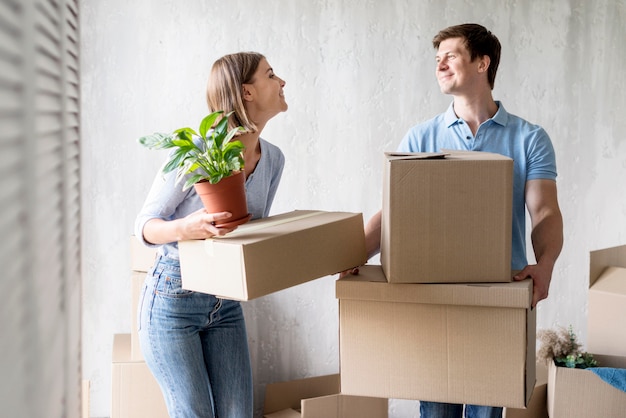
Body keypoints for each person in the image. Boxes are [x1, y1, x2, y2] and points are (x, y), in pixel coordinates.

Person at [347, 24, 564, 418]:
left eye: (450, 56)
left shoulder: (529, 139)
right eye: (436, 59)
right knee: (436, 411)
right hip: (433, 299)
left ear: (483, 63)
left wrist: (545, 264)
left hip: (498, 298)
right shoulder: (421, 137)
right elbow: (392, 213)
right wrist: (351, 254)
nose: (440, 65)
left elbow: (544, 210)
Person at [135, 52, 287, 418]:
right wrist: (186, 228)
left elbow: (251, 231)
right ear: (247, 92)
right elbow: (144, 225)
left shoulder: (274, 159)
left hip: (225, 302)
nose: (281, 81)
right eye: (271, 75)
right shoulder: (198, 152)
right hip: (173, 300)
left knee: (238, 413)